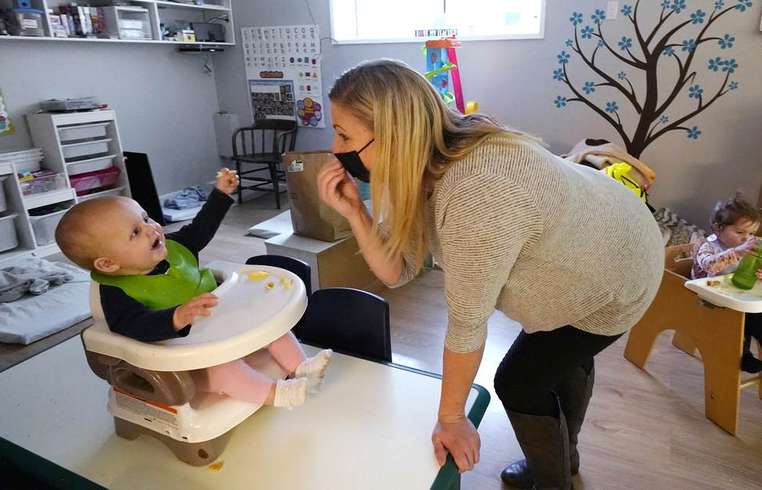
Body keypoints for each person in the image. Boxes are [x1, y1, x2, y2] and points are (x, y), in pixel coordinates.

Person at [317, 59, 663, 489]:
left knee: (520, 382)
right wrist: (355, 211)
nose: (334, 148)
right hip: (602, 238)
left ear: (393, 135)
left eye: (344, 135)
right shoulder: (426, 160)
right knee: (552, 362)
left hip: (620, 269)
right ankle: (564, 457)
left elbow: (467, 323)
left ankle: (553, 479)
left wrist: (451, 418)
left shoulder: (475, 190)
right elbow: (397, 270)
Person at [55, 168, 331, 410]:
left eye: (146, 219)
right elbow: (132, 326)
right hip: (187, 359)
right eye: (135, 233)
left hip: (219, 326)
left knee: (271, 325)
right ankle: (278, 394)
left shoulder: (174, 248)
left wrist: (220, 195)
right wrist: (175, 318)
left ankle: (301, 367)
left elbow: (200, 229)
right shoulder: (116, 292)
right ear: (108, 263)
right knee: (224, 370)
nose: (152, 229)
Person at [691, 195, 762, 373]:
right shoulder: (708, 245)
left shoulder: (747, 248)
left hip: (732, 295)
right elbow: (709, 265)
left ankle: (745, 354)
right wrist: (736, 252)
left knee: (756, 315)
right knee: (742, 319)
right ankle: (742, 356)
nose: (746, 238)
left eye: (751, 233)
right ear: (718, 229)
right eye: (740, 232)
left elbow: (748, 269)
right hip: (707, 299)